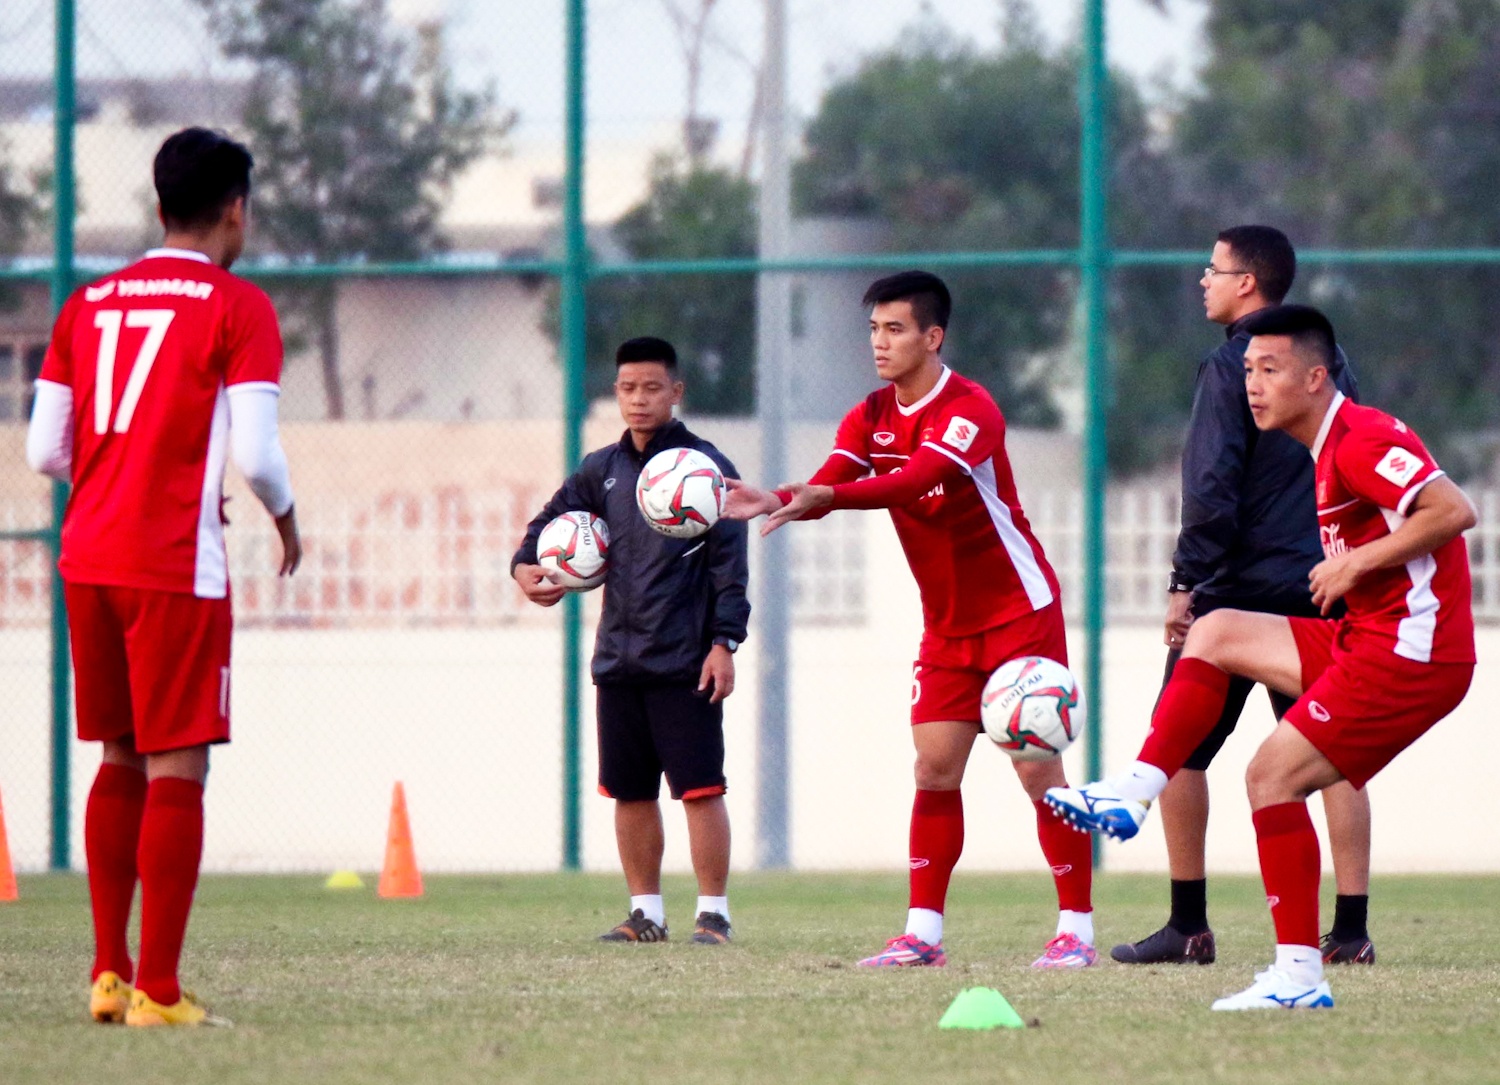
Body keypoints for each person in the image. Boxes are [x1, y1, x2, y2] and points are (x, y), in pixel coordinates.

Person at [1046, 305, 1475, 1010]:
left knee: (1269, 776)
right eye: (1247, 370)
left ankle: (1300, 975)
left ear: (1315, 376)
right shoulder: (1321, 448)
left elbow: (1453, 509)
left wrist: (1354, 563)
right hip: (1365, 635)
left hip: (1412, 652)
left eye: (1270, 369)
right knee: (1213, 632)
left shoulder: (1362, 436)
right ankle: (1135, 790)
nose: (1252, 384)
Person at [724, 270, 1097, 969]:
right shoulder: (869, 414)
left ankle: (1076, 928)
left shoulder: (971, 408)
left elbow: (913, 478)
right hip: (948, 625)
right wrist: (777, 494)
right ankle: (923, 933)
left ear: (933, 336)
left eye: (894, 329)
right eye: (873, 329)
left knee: (1036, 769)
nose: (879, 342)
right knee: (933, 768)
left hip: (1020, 611)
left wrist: (827, 497)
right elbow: (836, 469)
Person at [26, 127, 301, 1028]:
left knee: (119, 755)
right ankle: (162, 990)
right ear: (236, 208)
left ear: (157, 208)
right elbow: (257, 454)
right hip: (173, 563)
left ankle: (108, 973)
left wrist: (113, 479)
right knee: (180, 760)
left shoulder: (87, 304)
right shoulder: (237, 306)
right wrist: (287, 519)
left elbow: (43, 448)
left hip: (88, 555)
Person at [1112, 225, 1374, 968]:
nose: (1203, 279)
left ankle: (1188, 924)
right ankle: (1351, 931)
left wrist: (1183, 584)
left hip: (1235, 597)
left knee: (1180, 751)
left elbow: (1211, 485)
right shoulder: (1331, 366)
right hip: (1322, 585)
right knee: (1335, 755)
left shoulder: (1235, 366)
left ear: (1247, 284)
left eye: (1214, 269)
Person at [512, 337, 749, 945]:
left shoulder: (705, 469)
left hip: (685, 660)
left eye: (651, 388)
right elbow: (544, 526)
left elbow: (729, 565)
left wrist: (725, 641)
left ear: (677, 392)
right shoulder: (602, 468)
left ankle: (714, 914)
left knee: (700, 789)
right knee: (630, 790)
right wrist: (526, 567)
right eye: (626, 388)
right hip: (618, 657)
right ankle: (646, 913)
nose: (638, 400)